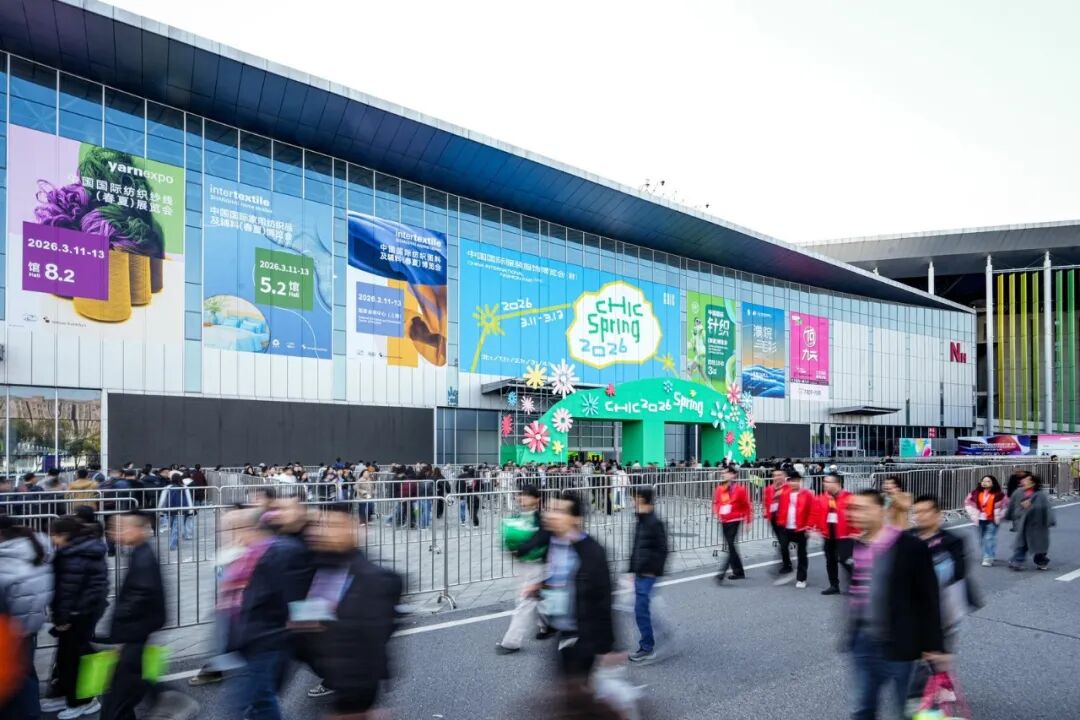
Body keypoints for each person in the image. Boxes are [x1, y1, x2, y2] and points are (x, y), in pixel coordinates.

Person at [846, 489, 945, 720]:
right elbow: (855, 594)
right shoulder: (855, 545)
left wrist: (933, 645)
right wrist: (851, 634)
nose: (855, 514)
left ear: (881, 510)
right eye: (852, 509)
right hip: (864, 641)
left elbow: (928, 598)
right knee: (863, 707)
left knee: (907, 709)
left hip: (901, 643)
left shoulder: (911, 547)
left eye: (862, 508)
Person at [298, 504, 402, 718]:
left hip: (355, 683)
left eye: (336, 525)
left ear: (354, 529)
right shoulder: (319, 568)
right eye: (323, 525)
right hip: (331, 670)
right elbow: (305, 623)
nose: (326, 532)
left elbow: (374, 639)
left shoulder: (378, 580)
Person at [222, 509, 308, 720]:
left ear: (253, 529)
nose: (233, 535)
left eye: (236, 529)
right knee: (260, 699)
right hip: (251, 638)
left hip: (266, 638)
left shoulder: (278, 553)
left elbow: (288, 598)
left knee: (251, 699)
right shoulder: (250, 555)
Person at [541, 491, 616, 679]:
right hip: (562, 632)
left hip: (583, 636)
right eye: (550, 509)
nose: (551, 515)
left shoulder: (592, 552)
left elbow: (604, 601)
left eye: (559, 511)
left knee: (577, 687)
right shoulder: (551, 542)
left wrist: (607, 648)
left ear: (576, 519)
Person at [99, 511, 166, 720]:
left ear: (137, 529)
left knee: (119, 699)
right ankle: (167, 697)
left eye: (121, 528)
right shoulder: (140, 553)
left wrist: (120, 634)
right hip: (136, 634)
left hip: (134, 634)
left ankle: (169, 698)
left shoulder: (143, 557)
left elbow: (138, 597)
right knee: (128, 690)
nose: (115, 533)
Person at [43, 516, 109, 719]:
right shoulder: (71, 551)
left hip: (78, 615)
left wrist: (65, 617)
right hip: (73, 615)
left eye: (54, 535)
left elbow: (69, 591)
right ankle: (65, 694)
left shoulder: (77, 554)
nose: (52, 539)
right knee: (65, 658)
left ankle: (83, 701)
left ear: (65, 534)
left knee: (75, 659)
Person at [0, 516, 53, 720]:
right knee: (26, 672)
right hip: (28, 625)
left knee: (19, 678)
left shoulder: (8, 557)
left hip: (12, 628)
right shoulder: (33, 548)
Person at [912, 495, 982, 649]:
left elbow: (958, 573)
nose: (920, 516)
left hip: (944, 607)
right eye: (917, 512)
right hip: (914, 608)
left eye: (925, 511)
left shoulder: (952, 541)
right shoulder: (908, 537)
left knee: (939, 648)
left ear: (938, 514)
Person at [497, 485, 552, 654]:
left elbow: (542, 538)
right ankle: (547, 625)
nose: (522, 498)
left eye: (527, 495)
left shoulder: (541, 519)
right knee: (537, 597)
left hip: (538, 564)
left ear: (537, 499)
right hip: (524, 565)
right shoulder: (516, 518)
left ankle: (511, 642)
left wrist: (522, 549)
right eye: (520, 495)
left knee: (525, 601)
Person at [626, 486, 668, 663]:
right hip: (639, 572)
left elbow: (663, 549)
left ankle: (647, 647)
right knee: (641, 608)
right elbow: (636, 547)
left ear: (641, 499)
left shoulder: (654, 522)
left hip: (648, 573)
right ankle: (663, 633)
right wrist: (631, 570)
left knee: (640, 609)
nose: (632, 501)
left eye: (634, 497)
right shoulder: (641, 519)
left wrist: (653, 571)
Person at [812, 472, 856, 595]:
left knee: (845, 559)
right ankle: (834, 585)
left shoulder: (849, 497)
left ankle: (857, 583)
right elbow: (815, 513)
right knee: (830, 560)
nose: (824, 484)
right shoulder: (821, 498)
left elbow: (856, 515)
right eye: (824, 482)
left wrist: (856, 531)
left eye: (828, 482)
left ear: (837, 483)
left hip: (845, 535)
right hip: (828, 534)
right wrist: (812, 528)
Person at [1005, 474, 1055, 571]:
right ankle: (1016, 561)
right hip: (1024, 523)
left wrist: (1050, 520)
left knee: (1040, 545)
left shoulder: (1040, 495)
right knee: (1022, 544)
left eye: (1026, 480)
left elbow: (1047, 509)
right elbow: (1012, 506)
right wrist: (1009, 515)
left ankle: (1041, 561)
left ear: (1033, 483)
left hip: (1038, 524)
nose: (1023, 481)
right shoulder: (1018, 492)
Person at [774, 470, 813, 588]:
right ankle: (788, 566)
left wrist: (809, 527)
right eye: (792, 481)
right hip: (786, 526)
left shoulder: (807, 494)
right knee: (783, 547)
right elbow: (780, 508)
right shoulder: (784, 493)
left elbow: (812, 511)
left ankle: (801, 578)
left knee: (802, 553)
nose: (794, 483)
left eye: (796, 481)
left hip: (801, 528)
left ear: (800, 482)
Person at [712, 468, 751, 582]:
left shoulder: (740, 489)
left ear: (734, 475)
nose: (724, 475)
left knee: (731, 545)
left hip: (735, 519)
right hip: (724, 520)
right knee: (731, 546)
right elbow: (717, 503)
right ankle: (739, 571)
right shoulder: (720, 488)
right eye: (723, 473)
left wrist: (748, 521)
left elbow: (746, 505)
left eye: (727, 473)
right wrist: (717, 512)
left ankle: (722, 572)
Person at [963, 475, 1008, 566]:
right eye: (983, 481)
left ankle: (987, 558)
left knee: (989, 537)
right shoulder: (975, 493)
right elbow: (967, 503)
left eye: (988, 481)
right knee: (982, 539)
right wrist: (972, 514)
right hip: (979, 519)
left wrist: (1000, 515)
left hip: (993, 520)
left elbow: (1006, 506)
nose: (985, 483)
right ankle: (989, 554)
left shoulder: (999, 495)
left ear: (993, 483)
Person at [764, 468, 792, 576]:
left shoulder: (789, 488)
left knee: (784, 543)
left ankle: (787, 565)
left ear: (784, 476)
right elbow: (766, 501)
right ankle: (786, 562)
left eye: (779, 475)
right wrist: (766, 513)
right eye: (774, 475)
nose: (777, 477)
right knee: (782, 542)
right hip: (774, 519)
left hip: (785, 519)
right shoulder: (769, 489)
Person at [159, 471, 195, 551]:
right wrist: (190, 510)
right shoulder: (184, 487)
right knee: (176, 527)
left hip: (170, 510)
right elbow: (189, 499)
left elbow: (162, 500)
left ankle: (174, 543)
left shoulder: (167, 487)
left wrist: (160, 510)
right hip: (181, 510)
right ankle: (173, 544)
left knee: (173, 527)